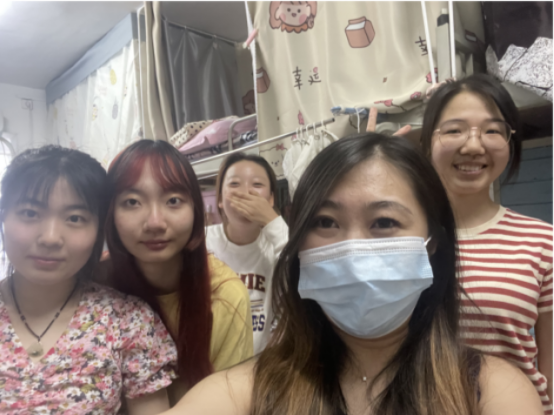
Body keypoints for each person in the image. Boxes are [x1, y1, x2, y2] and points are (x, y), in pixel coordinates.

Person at [162, 133, 542, 415]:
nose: (353, 248)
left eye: (384, 222)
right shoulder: (248, 390)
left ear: (431, 243)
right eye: (326, 222)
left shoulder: (492, 392)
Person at [0, 146, 177, 414]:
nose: (50, 238)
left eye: (75, 218)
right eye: (30, 213)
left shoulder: (129, 322)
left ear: (99, 230)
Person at [420, 74, 553, 414]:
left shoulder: (543, 241)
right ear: (428, 141)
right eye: (454, 130)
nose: (473, 146)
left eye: (492, 130)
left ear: (510, 141)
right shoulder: (402, 238)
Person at [104, 139, 253, 405]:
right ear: (110, 213)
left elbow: (231, 403)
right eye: (132, 202)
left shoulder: (225, 296)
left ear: (196, 210)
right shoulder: (95, 285)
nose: (155, 222)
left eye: (173, 200)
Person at [207, 153, 288, 354]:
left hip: (257, 362)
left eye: (257, 185)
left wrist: (273, 221)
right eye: (234, 184)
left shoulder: (278, 245)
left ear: (271, 199)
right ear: (220, 199)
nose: (246, 193)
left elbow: (305, 280)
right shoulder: (202, 241)